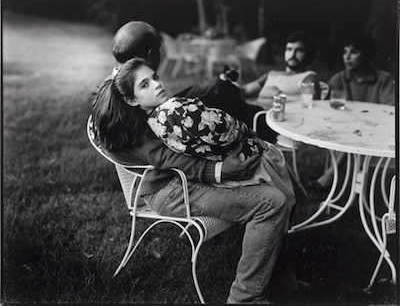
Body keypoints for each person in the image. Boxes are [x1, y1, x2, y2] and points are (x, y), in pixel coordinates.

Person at [93, 53, 295, 305]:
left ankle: (277, 275)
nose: (156, 84)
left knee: (277, 190)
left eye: (154, 77)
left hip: (184, 182)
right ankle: (245, 298)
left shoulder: (163, 112)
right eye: (145, 84)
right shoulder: (141, 131)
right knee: (272, 203)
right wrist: (219, 171)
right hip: (171, 191)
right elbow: (173, 162)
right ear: (131, 99)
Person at [108, 21, 277, 143]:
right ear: (152, 55)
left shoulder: (116, 84)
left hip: (160, 115)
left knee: (217, 86)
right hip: (165, 124)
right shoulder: (125, 94)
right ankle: (266, 123)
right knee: (217, 92)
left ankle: (239, 92)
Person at [310, 32, 395, 191]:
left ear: (366, 55)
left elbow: (390, 110)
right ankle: (333, 174)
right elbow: (329, 110)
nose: (347, 57)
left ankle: (330, 175)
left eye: (354, 52)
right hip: (346, 129)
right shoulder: (339, 79)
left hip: (378, 132)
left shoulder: (383, 79)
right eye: (345, 52)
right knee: (350, 131)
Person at [242, 31, 321, 102]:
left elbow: (310, 100)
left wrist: (277, 94)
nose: (292, 54)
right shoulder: (272, 74)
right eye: (289, 49)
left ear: (308, 55)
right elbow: (245, 90)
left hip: (270, 115)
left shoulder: (308, 76)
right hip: (252, 110)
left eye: (299, 50)